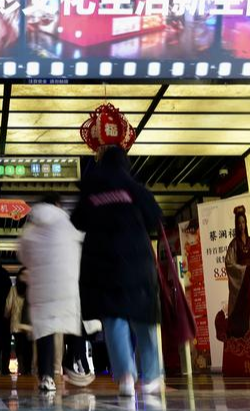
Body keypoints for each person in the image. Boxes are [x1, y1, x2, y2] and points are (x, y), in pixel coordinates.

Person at [72, 145, 163, 397]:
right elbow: (155, 217)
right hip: (138, 264)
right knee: (144, 318)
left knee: (114, 318)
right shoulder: (134, 188)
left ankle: (124, 376)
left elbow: (77, 220)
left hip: (103, 265)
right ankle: (152, 375)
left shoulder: (92, 189)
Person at [18, 193, 94, 393]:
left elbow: (23, 255)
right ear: (58, 204)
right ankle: (74, 363)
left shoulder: (31, 228)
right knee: (73, 324)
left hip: (41, 288)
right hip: (65, 286)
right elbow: (81, 246)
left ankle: (47, 377)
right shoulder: (66, 223)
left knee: (45, 332)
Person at [225, 205, 250, 338]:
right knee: (243, 310)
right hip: (242, 284)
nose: (241, 225)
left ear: (246, 223)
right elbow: (229, 264)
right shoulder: (234, 244)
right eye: (239, 223)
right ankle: (244, 337)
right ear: (236, 225)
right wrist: (245, 270)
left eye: (243, 222)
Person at [4, 268, 33, 376]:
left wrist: (6, 316)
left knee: (20, 347)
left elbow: (8, 306)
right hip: (29, 325)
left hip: (17, 324)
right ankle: (27, 368)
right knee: (28, 347)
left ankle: (22, 368)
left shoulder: (13, 289)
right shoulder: (32, 289)